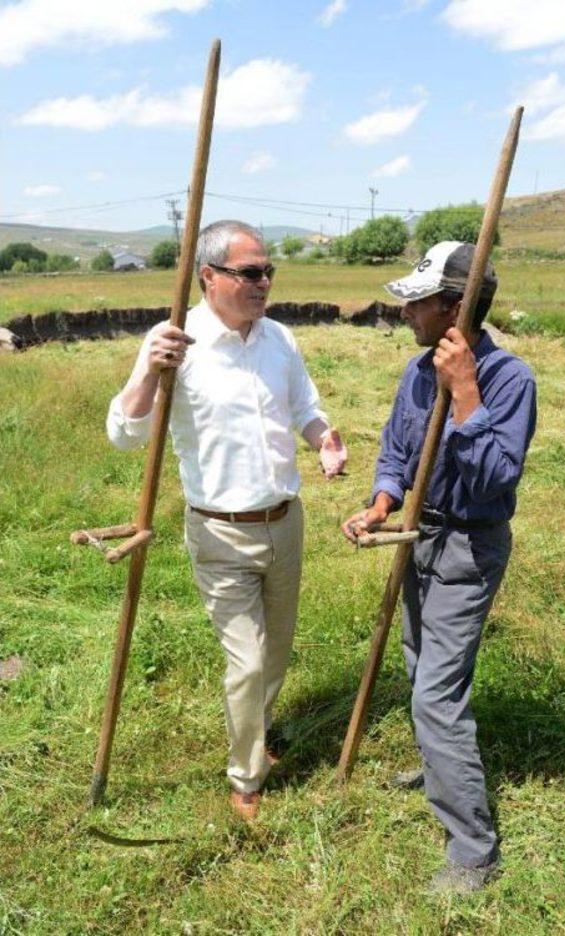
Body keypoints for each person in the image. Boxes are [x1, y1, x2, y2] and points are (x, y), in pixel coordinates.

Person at [107, 219, 347, 820]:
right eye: (250, 272)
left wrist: (323, 438)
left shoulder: (279, 339)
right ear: (209, 276)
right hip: (218, 530)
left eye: (268, 271)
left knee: (277, 652)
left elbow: (305, 407)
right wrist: (145, 373)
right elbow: (124, 435)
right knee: (248, 658)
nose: (264, 282)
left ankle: (258, 731)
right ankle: (245, 777)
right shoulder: (173, 342)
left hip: (285, 522)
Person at [342, 241, 536, 894]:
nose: (406, 314)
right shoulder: (415, 372)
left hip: (468, 548)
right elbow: (397, 450)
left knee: (435, 696)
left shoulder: (508, 380)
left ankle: (473, 852)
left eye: (418, 303)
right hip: (415, 537)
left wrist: (465, 395)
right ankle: (438, 765)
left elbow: (493, 482)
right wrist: (379, 506)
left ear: (455, 307)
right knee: (418, 661)